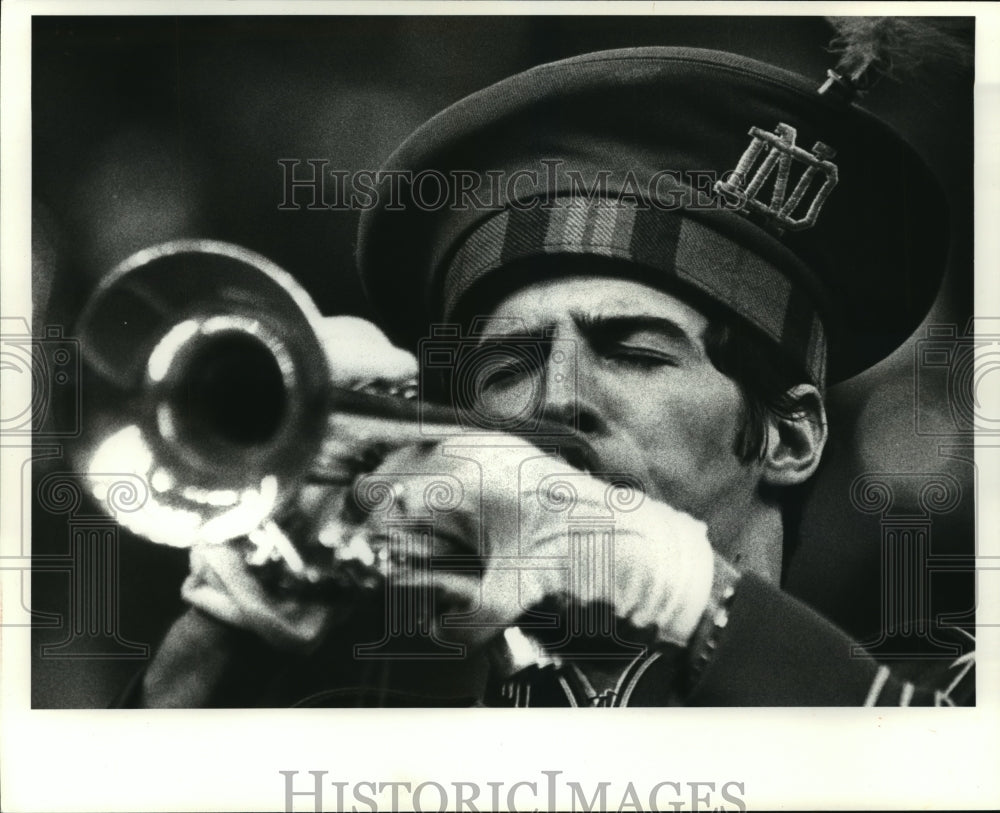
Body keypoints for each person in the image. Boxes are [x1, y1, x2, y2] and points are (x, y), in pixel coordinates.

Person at [131, 46, 974, 708]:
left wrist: (685, 591)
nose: (558, 394)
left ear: (791, 436)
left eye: (634, 351)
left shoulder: (956, 689)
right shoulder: (366, 724)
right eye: (511, 363)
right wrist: (234, 620)